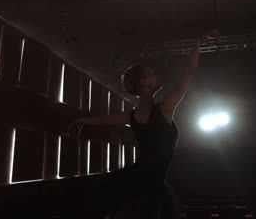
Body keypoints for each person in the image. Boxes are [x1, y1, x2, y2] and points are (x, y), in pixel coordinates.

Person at [64, 29, 220, 218]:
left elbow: (103, 119)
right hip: (149, 184)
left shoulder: (132, 116)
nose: (156, 75)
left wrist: (82, 120)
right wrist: (198, 44)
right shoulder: (164, 108)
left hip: (142, 180)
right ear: (143, 82)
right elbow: (189, 73)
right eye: (151, 73)